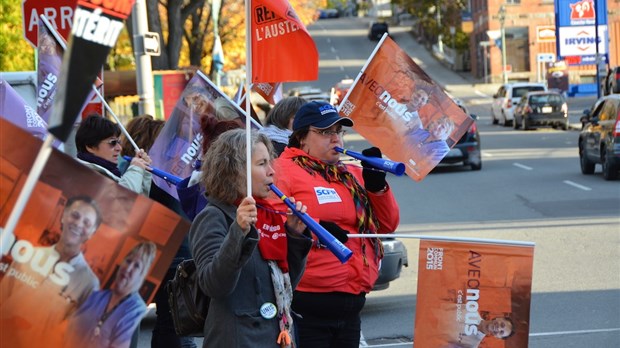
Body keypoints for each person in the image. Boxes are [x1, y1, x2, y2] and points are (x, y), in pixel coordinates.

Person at [269, 101, 400, 348]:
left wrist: (376, 187)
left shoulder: (349, 173)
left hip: (352, 302)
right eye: (325, 132)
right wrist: (317, 228)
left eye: (339, 132)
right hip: (308, 304)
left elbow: (387, 225)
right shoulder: (283, 170)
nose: (335, 139)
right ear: (302, 138)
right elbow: (273, 217)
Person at [189, 129, 312, 347]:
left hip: (276, 337)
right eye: (262, 163)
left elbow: (287, 285)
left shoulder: (267, 215)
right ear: (236, 171)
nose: (272, 171)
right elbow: (214, 285)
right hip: (238, 340)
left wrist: (293, 234)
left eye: (270, 162)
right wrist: (238, 231)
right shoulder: (212, 217)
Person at [119, 115, 196, 348]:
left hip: (157, 254)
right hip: (171, 255)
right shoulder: (152, 173)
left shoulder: (133, 169)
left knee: (170, 322)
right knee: (175, 324)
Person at [0, 195, 103, 347]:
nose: (78, 224)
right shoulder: (28, 254)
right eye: (75, 215)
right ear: (63, 215)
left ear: (92, 232)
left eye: (87, 223)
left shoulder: (90, 283)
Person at [64, 241, 157, 348]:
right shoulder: (96, 297)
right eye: (128, 261)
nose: (128, 268)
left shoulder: (137, 311)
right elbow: (68, 329)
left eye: (136, 266)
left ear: (142, 274)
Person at [75, 114, 152, 195]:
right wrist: (136, 169)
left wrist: (143, 172)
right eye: (113, 142)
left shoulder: (111, 172)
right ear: (90, 146)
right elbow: (122, 200)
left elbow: (139, 202)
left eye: (119, 142)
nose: (119, 148)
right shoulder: (85, 175)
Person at [447, 315, 515, 348]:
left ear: (498, 337)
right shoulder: (470, 309)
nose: (498, 328)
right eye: (502, 325)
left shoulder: (471, 345)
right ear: (499, 318)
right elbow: (442, 307)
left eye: (501, 332)